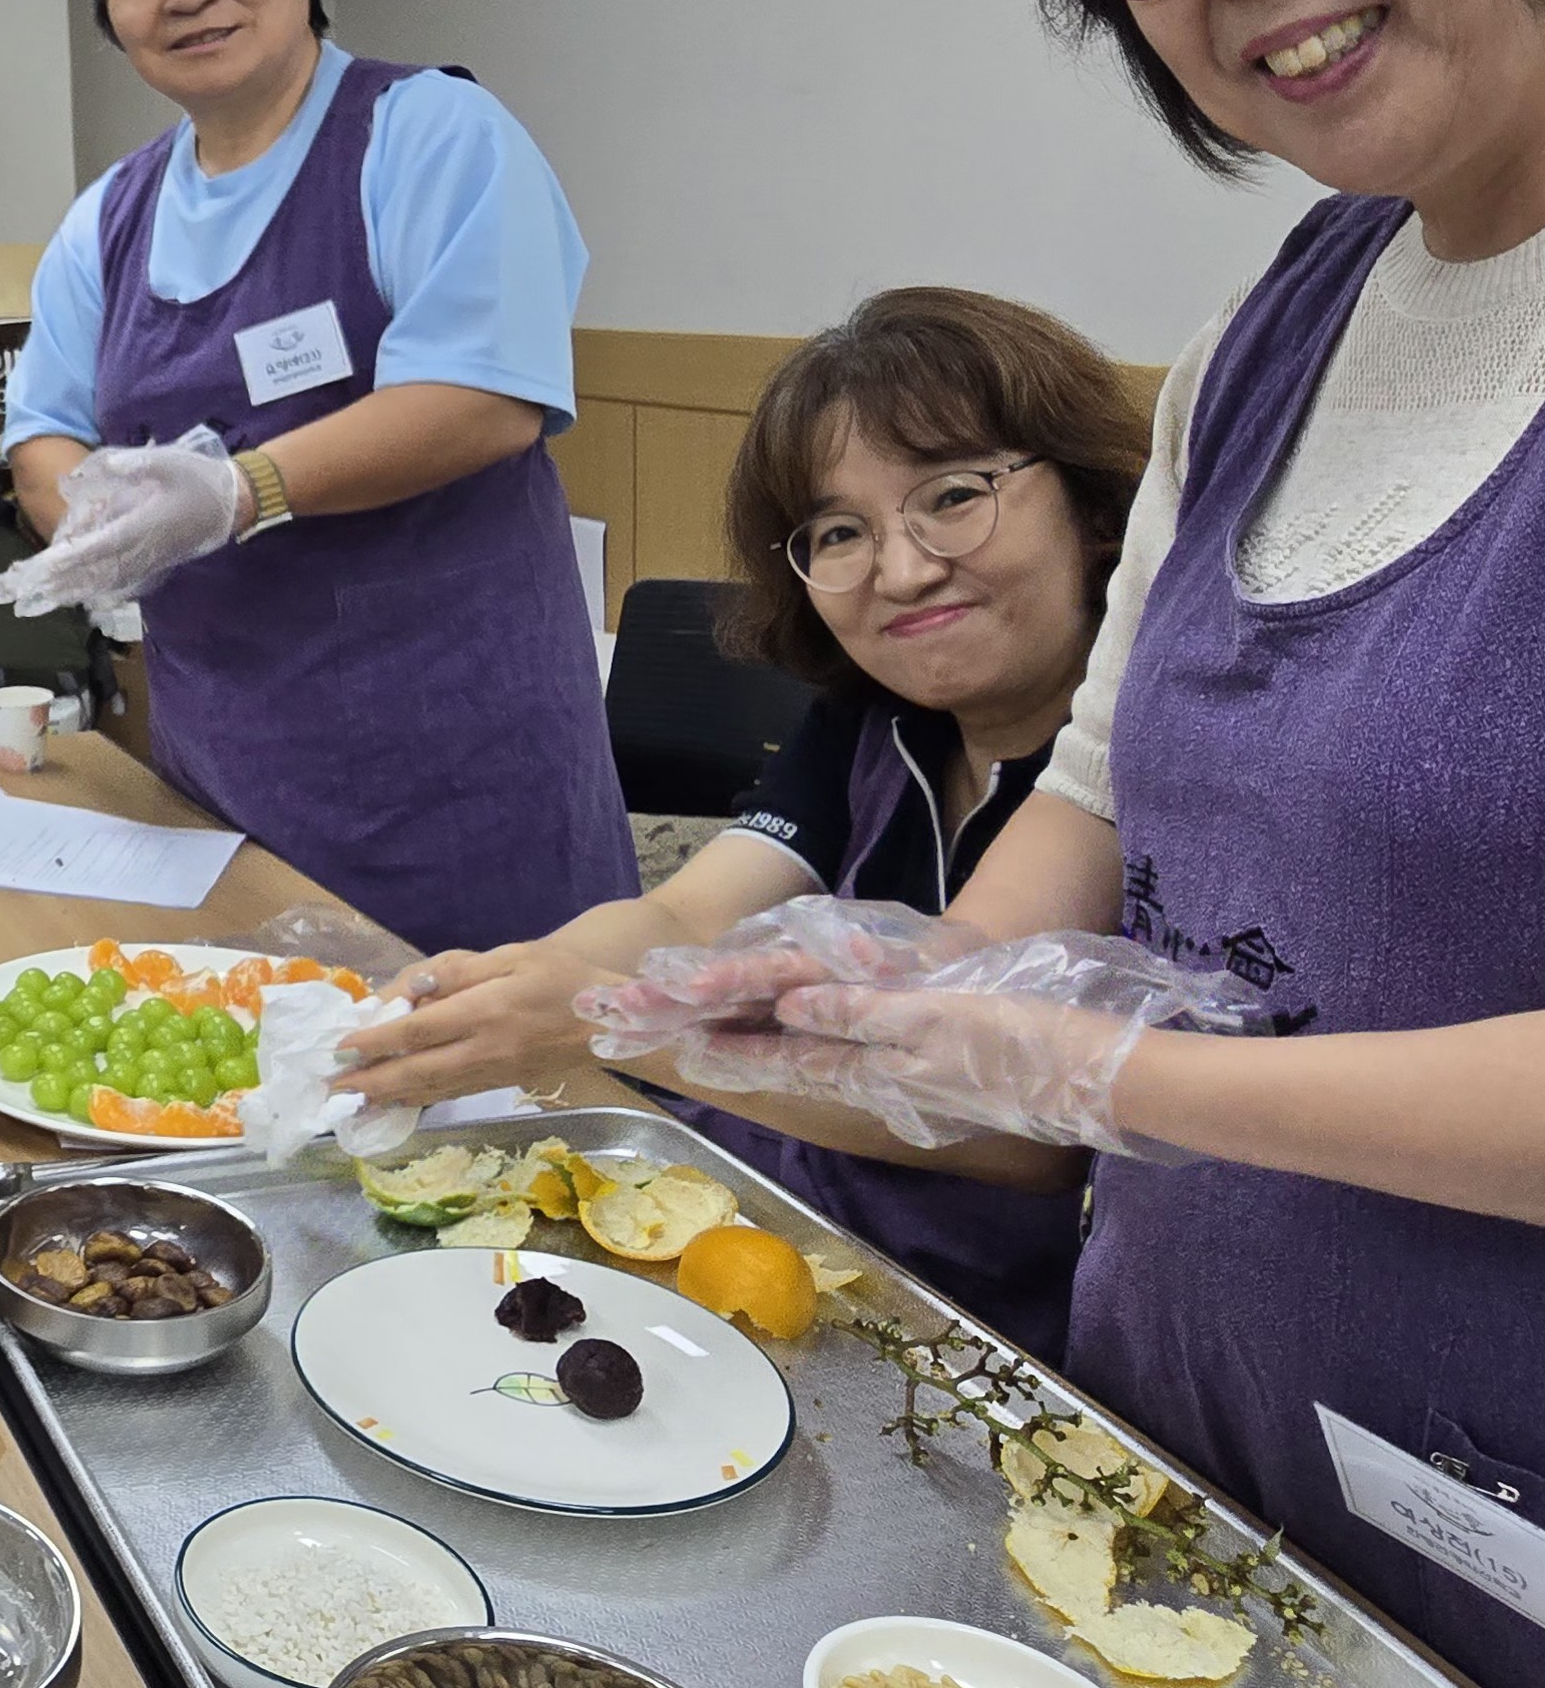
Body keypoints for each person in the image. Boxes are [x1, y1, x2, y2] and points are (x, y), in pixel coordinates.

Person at [588, 0, 1545, 1688]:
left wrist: (1120, 1083)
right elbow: (1076, 847)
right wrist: (843, 1014)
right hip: (1172, 1462)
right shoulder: (1273, 334)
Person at [328, 288, 1145, 1359]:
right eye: (841, 531)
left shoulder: (1154, 766)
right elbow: (686, 908)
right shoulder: (872, 721)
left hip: (969, 1330)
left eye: (952, 496)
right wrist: (506, 984)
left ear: (1094, 511)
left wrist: (611, 1025)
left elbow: (1021, 1133)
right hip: (778, 1228)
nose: (901, 569)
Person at [0, 0, 631, 951]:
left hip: (453, 757)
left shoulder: (428, 133)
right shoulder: (108, 218)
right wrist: (93, 527)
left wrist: (237, 493)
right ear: (112, 20)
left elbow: (483, 399)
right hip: (222, 759)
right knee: (253, 1060)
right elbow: (44, 430)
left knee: (488, 1092)